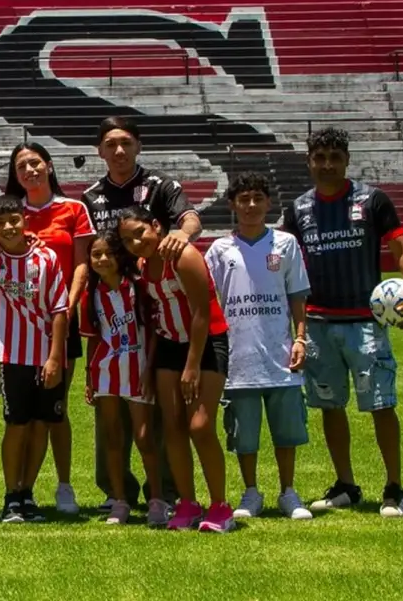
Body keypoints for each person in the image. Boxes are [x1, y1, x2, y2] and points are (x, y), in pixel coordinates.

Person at [280, 127, 403, 518]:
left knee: (382, 405)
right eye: (320, 157)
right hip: (317, 323)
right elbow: (286, 267)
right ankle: (345, 484)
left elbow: (401, 248)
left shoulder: (372, 200)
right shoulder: (297, 210)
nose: (327, 164)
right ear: (309, 161)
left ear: (346, 160)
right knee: (330, 407)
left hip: (366, 323)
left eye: (335, 157)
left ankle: (394, 487)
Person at [80, 116, 191, 509]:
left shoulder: (160, 186)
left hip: (151, 302)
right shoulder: (91, 197)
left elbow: (188, 217)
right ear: (100, 151)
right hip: (109, 305)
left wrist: (182, 233)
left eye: (126, 142)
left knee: (154, 411)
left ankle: (165, 490)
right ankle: (117, 491)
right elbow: (85, 250)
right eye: (111, 144)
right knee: (111, 410)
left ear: (138, 145)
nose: (119, 151)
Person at [118, 206, 233, 533]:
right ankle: (187, 503)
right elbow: (155, 315)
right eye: (127, 240)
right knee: (173, 427)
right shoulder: (143, 264)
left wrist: (192, 365)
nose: (135, 243)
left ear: (156, 225)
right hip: (169, 344)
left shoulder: (182, 256)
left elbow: (200, 312)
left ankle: (221, 507)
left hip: (206, 342)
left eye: (139, 233)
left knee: (200, 425)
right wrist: (151, 365)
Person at [206, 172, 313, 521]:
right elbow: (209, 300)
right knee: (244, 435)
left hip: (280, 351)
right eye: (243, 199)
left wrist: (300, 338)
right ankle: (251, 491)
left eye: (257, 198)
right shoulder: (220, 250)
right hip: (239, 355)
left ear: (269, 203)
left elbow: (297, 295)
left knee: (287, 431)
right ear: (232, 205)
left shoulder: (286, 244)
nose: (251, 206)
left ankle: (288, 492)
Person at [1, 142, 94, 514]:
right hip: (19, 330)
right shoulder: (11, 212)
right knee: (22, 417)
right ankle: (21, 489)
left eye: (35, 163)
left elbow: (83, 264)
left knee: (54, 411)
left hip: (60, 322)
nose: (30, 171)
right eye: (22, 165)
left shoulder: (73, 209)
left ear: (50, 165)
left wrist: (67, 307)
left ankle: (64, 485)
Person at [0, 196, 68, 524]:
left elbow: (60, 310)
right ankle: (10, 495)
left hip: (45, 356)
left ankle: (28, 492)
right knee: (16, 426)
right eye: (0, 223)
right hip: (12, 356)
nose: (8, 228)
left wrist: (55, 358)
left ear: (25, 222)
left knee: (41, 425)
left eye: (14, 220)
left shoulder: (46, 258)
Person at [79, 230, 166, 526]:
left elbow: (153, 332)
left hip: (138, 369)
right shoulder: (91, 294)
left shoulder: (139, 287)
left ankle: (157, 498)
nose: (102, 259)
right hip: (106, 372)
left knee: (144, 438)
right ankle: (120, 500)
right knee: (112, 438)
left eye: (108, 253)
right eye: (96, 255)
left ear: (121, 256)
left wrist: (150, 368)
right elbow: (92, 338)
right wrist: (90, 378)